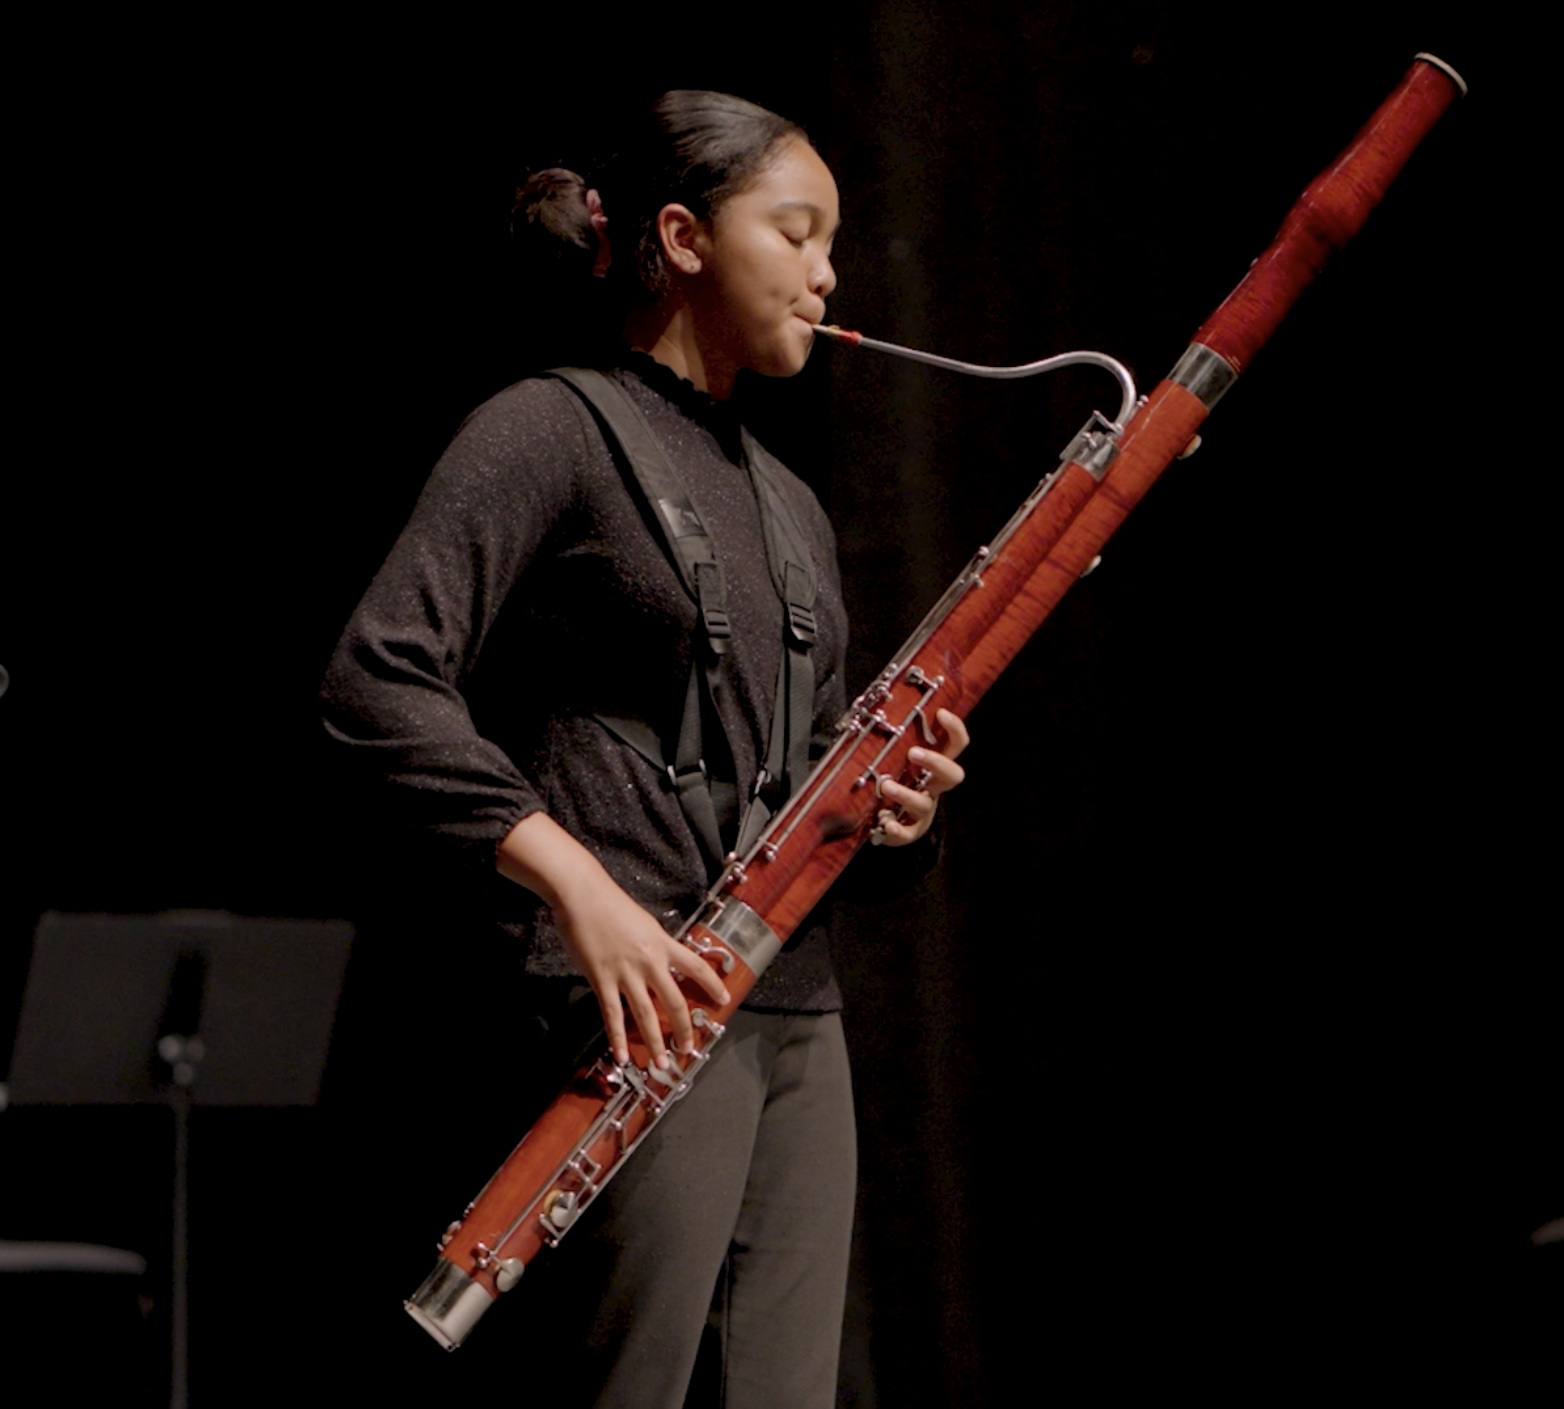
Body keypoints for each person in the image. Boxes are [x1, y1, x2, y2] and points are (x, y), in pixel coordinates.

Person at [321, 90, 966, 1407]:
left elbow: (789, 779)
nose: (827, 270)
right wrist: (582, 891)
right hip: (625, 1010)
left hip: (793, 1013)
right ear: (680, 236)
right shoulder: (545, 427)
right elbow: (376, 678)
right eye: (795, 231)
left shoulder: (787, 500)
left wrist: (890, 816)